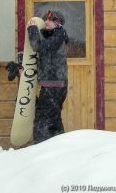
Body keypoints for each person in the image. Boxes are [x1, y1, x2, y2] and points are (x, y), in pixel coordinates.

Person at [27, 10, 69, 143]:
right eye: (45, 19)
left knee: (43, 120)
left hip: (54, 86)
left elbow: (37, 46)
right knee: (53, 119)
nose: (46, 22)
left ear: (58, 23)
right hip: (53, 85)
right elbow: (44, 59)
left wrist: (33, 29)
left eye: (50, 20)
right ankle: (58, 147)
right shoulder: (52, 36)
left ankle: (42, 149)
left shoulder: (59, 35)